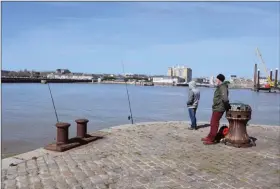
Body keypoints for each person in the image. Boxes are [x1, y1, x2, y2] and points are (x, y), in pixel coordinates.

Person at [201, 74, 230, 144]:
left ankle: (212, 139)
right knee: (212, 123)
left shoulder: (223, 87)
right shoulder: (220, 87)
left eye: (216, 79)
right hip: (216, 107)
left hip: (219, 108)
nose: (215, 80)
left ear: (219, 80)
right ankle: (209, 136)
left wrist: (227, 107)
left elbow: (225, 99)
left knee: (214, 123)